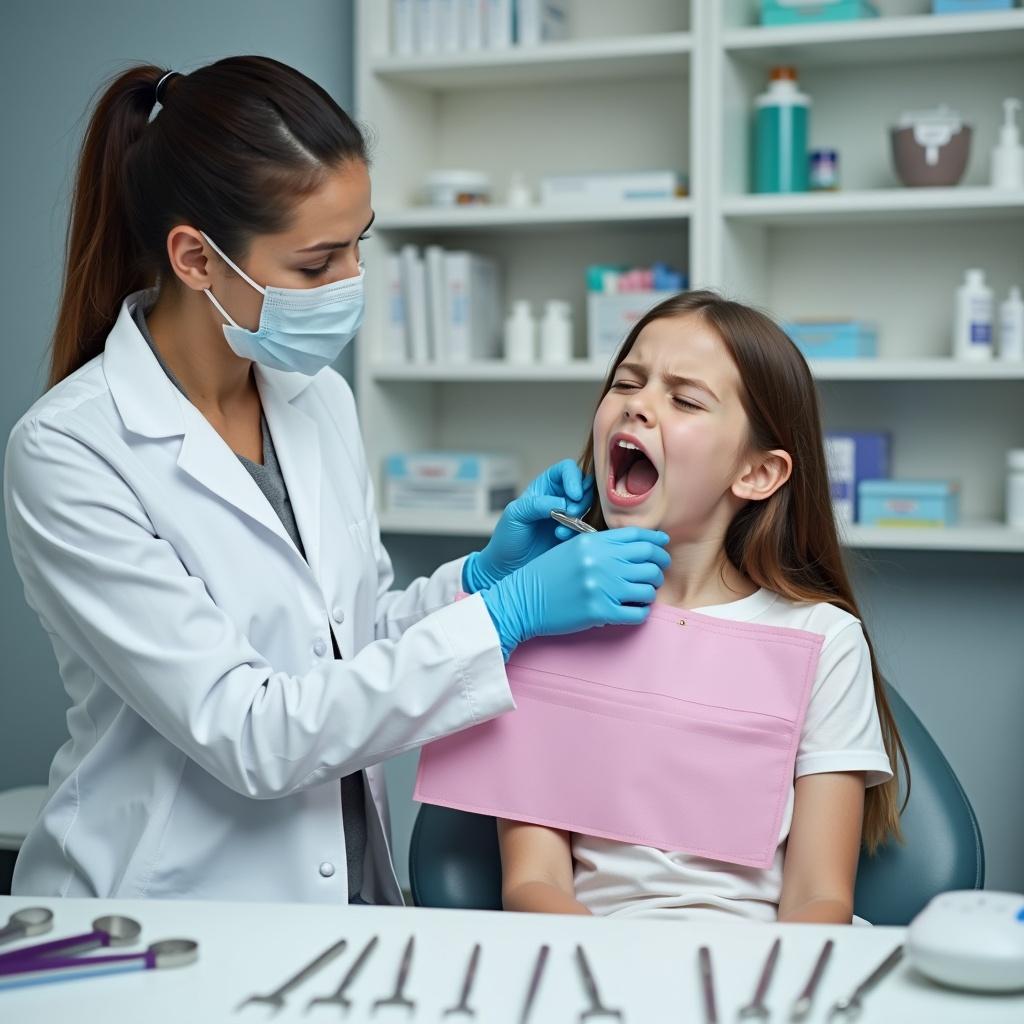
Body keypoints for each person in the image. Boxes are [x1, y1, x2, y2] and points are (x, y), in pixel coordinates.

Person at [4, 57, 670, 903]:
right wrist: (507, 619)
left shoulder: (317, 398)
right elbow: (252, 729)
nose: (352, 283)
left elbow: (351, 640)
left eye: (361, 244)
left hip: (347, 887)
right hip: (173, 906)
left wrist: (481, 579)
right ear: (196, 259)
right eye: (317, 266)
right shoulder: (71, 450)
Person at [496, 291, 909, 924]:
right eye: (628, 382)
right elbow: (533, 881)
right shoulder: (546, 617)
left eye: (685, 400)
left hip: (765, 974)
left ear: (758, 473)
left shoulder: (823, 640)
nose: (638, 403)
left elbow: (819, 898)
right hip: (587, 965)